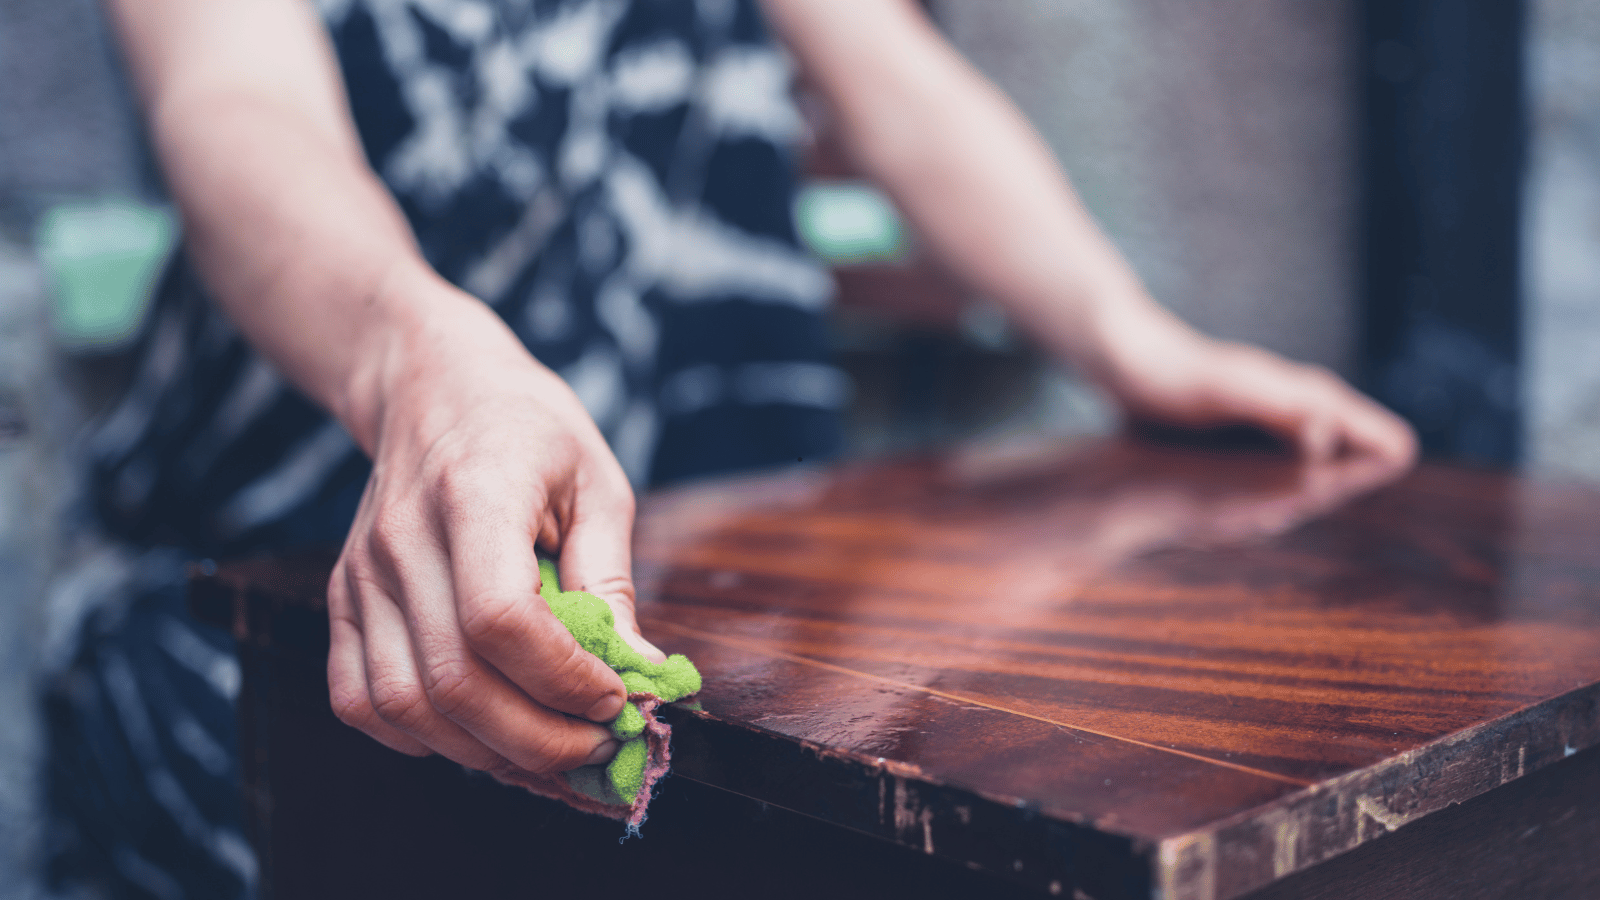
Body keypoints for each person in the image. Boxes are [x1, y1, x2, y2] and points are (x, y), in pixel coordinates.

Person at [49, 0, 1415, 896]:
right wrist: (416, 358)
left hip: (698, 649)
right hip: (267, 624)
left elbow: (898, 86)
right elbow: (233, 110)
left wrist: (1124, 336)